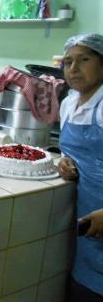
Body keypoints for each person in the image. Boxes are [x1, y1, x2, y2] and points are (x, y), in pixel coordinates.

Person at [57, 33, 103, 301]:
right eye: (68, 62)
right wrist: (65, 161)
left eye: (84, 59)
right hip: (88, 212)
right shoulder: (69, 103)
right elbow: (72, 149)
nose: (74, 69)